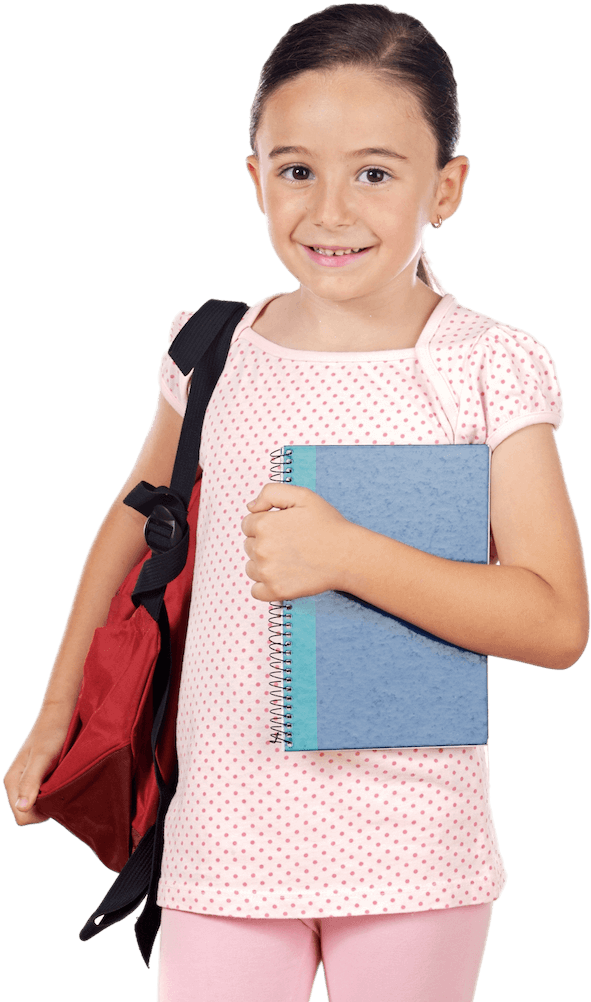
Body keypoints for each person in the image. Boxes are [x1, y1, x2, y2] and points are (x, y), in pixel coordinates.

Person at [4, 5, 588, 1001]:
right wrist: (54, 716)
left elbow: (554, 620)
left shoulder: (487, 364)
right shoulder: (214, 346)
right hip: (222, 834)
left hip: (415, 848)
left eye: (375, 171)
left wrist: (345, 556)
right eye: (296, 169)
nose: (328, 211)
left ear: (446, 187)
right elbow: (138, 516)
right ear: (252, 175)